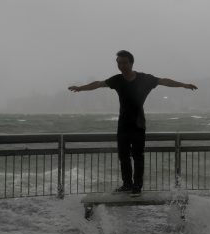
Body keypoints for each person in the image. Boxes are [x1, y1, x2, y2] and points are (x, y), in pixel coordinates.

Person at [68, 50, 197, 197]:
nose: (121, 66)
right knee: (123, 156)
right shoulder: (117, 80)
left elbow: (164, 81)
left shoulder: (144, 79)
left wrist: (184, 85)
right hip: (123, 124)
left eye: (124, 62)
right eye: (118, 63)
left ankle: (137, 187)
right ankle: (127, 185)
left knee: (138, 156)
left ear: (131, 63)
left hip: (138, 123)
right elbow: (98, 84)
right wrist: (80, 88)